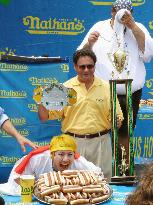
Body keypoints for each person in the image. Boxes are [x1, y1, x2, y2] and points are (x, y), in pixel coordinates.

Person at [38, 48, 123, 181]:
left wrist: (117, 122)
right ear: (75, 67)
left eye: (90, 66)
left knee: (103, 183)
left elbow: (117, 118)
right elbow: (44, 117)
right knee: (72, 184)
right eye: (82, 66)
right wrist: (41, 101)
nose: (86, 70)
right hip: (73, 144)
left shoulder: (107, 88)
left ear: (95, 66)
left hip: (101, 143)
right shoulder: (65, 88)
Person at [77, 0, 153, 137]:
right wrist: (90, 43)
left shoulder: (138, 27)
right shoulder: (99, 27)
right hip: (103, 92)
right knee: (99, 131)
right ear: (112, 11)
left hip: (131, 92)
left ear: (132, 13)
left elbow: (148, 54)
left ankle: (123, 159)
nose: (121, 16)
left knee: (125, 135)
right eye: (118, 11)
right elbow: (80, 56)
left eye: (126, 13)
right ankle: (101, 158)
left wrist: (133, 26)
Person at [0, 134, 102, 196]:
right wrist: (37, 189)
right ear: (52, 154)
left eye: (70, 154)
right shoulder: (37, 159)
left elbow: (98, 174)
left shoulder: (78, 160)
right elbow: (17, 178)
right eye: (61, 154)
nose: (66, 159)